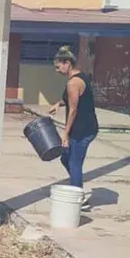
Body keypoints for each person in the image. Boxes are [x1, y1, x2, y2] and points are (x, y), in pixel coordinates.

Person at [48, 45, 98, 209]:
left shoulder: (73, 83)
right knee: (66, 158)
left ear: (67, 63)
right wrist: (58, 104)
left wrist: (65, 133)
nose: (57, 71)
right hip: (85, 126)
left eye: (58, 67)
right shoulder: (80, 77)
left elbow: (74, 110)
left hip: (82, 129)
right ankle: (77, 187)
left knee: (74, 162)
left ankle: (79, 198)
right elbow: (71, 99)